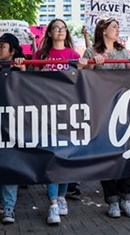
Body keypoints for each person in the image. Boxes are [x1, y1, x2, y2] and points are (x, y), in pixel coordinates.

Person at [82, 18, 130, 219]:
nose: (118, 30)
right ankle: (112, 200)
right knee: (106, 156)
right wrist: (90, 65)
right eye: (114, 27)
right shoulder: (91, 52)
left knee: (127, 153)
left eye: (118, 27)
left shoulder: (123, 52)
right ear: (104, 30)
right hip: (101, 112)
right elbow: (84, 78)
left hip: (123, 111)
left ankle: (126, 198)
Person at [31, 19, 87, 225]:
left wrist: (81, 69)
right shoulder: (41, 55)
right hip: (46, 109)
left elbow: (81, 83)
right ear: (50, 34)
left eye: (63, 28)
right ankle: (53, 203)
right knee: (51, 156)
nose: (60, 31)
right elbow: (29, 80)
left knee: (64, 156)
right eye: (56, 28)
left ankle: (62, 198)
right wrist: (40, 73)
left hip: (68, 111)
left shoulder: (73, 56)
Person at [0, 33, 26, 225]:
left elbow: (30, 90)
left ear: (13, 50)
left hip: (15, 124)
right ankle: (0, 201)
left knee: (10, 163)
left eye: (2, 46)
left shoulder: (19, 68)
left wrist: (23, 69)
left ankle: (9, 206)